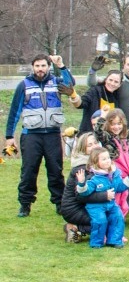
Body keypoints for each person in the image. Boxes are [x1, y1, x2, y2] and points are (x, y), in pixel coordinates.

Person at [6, 53, 74, 217]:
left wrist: (62, 67)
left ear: (48, 67)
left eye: (43, 65)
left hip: (52, 134)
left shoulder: (56, 82)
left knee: (55, 171)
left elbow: (71, 84)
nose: (40, 69)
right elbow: (14, 111)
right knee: (28, 171)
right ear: (33, 67)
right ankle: (25, 204)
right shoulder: (24, 85)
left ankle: (59, 203)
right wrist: (9, 136)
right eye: (37, 66)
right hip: (31, 136)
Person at [75, 146, 129, 248]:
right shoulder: (93, 177)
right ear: (95, 162)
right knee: (100, 221)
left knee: (118, 217)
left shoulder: (115, 173)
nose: (107, 161)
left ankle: (115, 240)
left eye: (108, 158)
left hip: (111, 204)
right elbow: (85, 193)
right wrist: (82, 183)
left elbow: (120, 187)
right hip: (95, 206)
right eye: (103, 159)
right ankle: (96, 242)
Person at [94, 105, 129, 216]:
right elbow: (98, 133)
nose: (116, 127)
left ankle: (123, 215)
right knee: (117, 197)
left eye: (119, 124)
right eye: (113, 124)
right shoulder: (107, 138)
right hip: (116, 173)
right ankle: (115, 217)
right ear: (108, 124)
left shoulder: (125, 136)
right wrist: (102, 117)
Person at [61, 132, 105, 243]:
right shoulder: (81, 168)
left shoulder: (99, 163)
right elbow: (81, 196)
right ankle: (74, 227)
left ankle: (80, 231)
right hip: (74, 209)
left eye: (95, 143)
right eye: (89, 145)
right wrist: (105, 196)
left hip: (88, 206)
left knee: (110, 218)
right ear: (83, 149)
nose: (94, 146)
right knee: (102, 221)